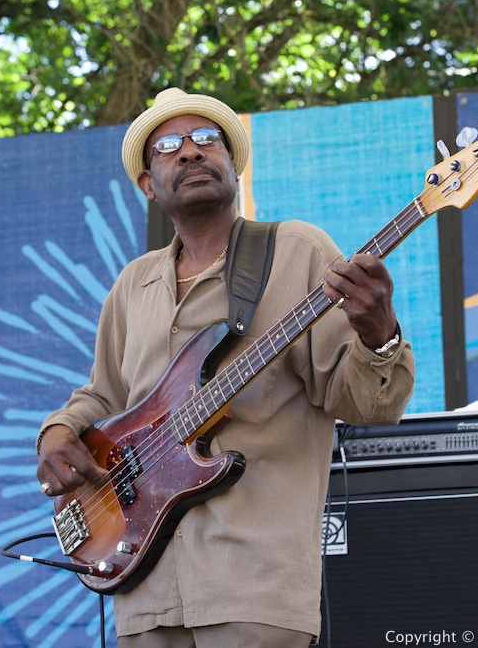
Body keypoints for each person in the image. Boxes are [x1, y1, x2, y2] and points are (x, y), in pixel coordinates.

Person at [35, 87, 415, 647]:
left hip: (254, 586)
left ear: (233, 164)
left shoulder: (298, 251)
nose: (190, 151)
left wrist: (379, 332)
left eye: (206, 138)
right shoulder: (132, 286)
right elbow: (104, 398)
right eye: (167, 146)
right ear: (148, 184)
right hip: (144, 595)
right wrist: (59, 431)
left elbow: (366, 403)